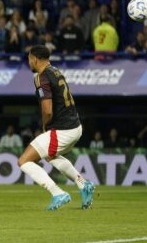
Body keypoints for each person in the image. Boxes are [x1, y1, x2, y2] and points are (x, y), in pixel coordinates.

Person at [18, 45, 95, 211]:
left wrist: (45, 126)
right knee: (50, 156)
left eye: (29, 58)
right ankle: (83, 184)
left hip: (62, 130)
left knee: (24, 161)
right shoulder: (56, 71)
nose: (29, 62)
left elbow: (47, 110)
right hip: (75, 127)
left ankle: (57, 193)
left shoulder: (41, 77)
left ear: (35, 59)